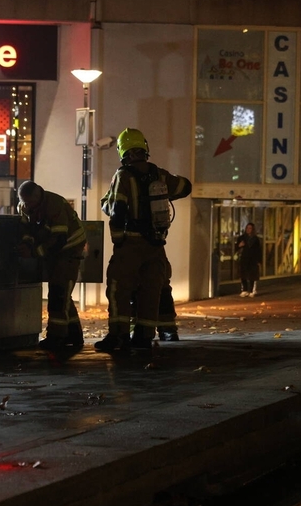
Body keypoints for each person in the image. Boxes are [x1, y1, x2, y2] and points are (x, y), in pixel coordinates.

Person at [96, 128, 191, 353]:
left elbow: (118, 209)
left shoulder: (123, 175)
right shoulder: (158, 174)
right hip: (156, 245)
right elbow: (185, 187)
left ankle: (117, 336)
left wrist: (118, 241)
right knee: (151, 290)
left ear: (122, 151)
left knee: (119, 288)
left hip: (131, 244)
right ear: (144, 147)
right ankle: (144, 337)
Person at [17, 180, 87, 351]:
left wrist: (34, 253)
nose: (28, 206)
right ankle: (74, 334)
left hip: (70, 249)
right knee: (62, 294)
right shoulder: (26, 206)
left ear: (37, 195)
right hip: (55, 252)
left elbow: (59, 239)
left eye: (30, 202)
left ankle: (56, 337)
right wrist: (26, 245)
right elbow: (26, 230)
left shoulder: (54, 204)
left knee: (58, 294)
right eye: (25, 203)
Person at [235, 222, 262, 297]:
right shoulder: (242, 238)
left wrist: (259, 261)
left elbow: (259, 250)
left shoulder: (256, 239)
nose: (248, 230)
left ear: (253, 229)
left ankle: (251, 290)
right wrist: (239, 245)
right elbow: (236, 247)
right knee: (243, 274)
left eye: (250, 228)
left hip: (253, 259)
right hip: (244, 258)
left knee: (252, 275)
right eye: (247, 228)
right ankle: (244, 290)